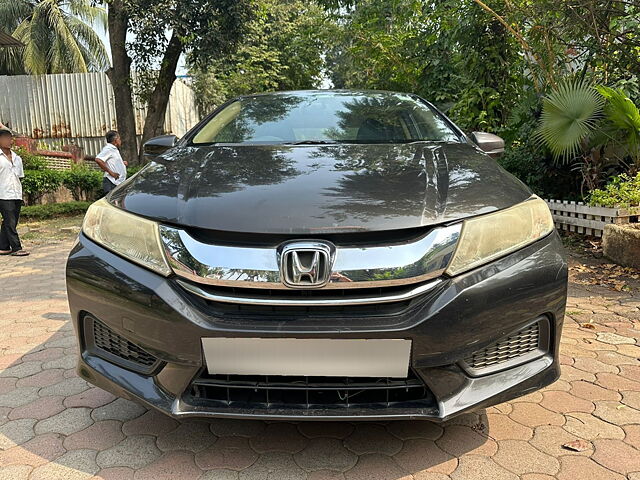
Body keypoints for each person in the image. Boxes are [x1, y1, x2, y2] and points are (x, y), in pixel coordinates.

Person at [0, 127, 29, 256]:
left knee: (10, 221)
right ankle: (17, 248)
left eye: (9, 138)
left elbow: (19, 177)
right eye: (4, 138)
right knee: (10, 222)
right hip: (3, 194)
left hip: (16, 193)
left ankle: (3, 247)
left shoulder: (17, 158)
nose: (8, 141)